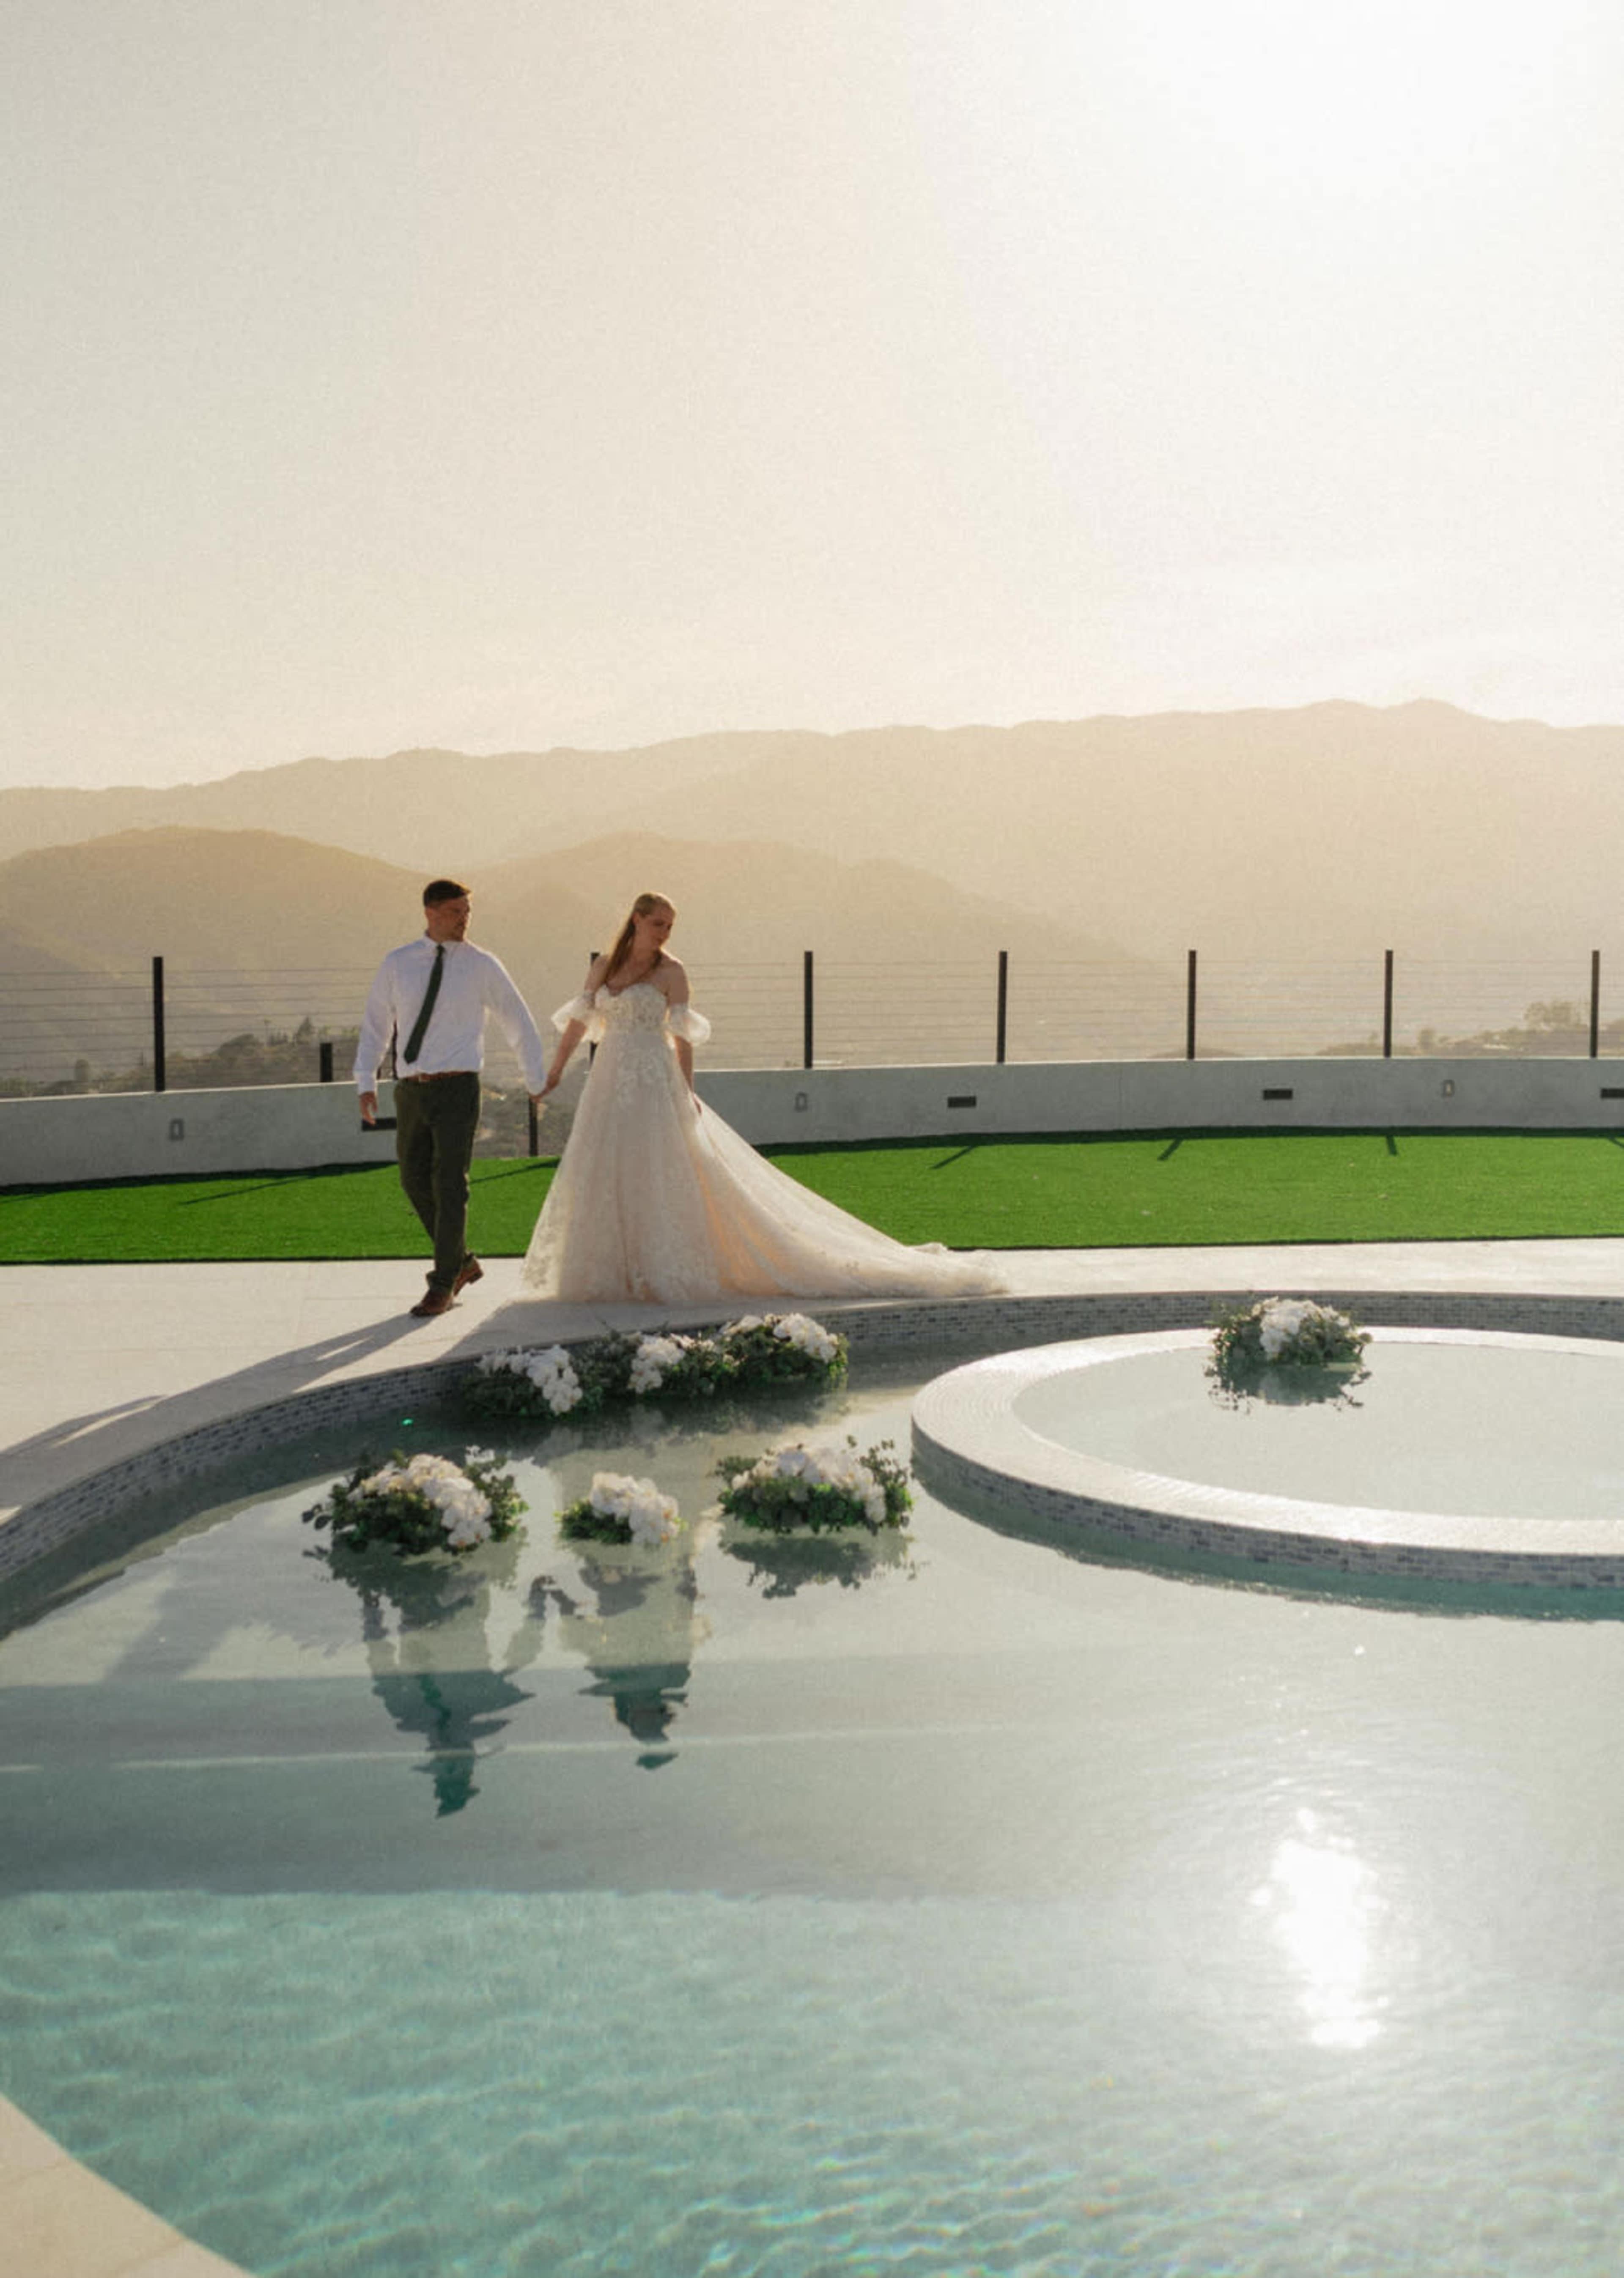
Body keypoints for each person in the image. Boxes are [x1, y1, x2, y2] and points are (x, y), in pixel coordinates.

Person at [521, 891, 1004, 1302]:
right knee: (607, 1167)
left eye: (670, 925)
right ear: (636, 919)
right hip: (607, 1079)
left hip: (654, 1082)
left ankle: (665, 1266)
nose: (665, 932)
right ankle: (616, 1270)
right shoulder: (605, 966)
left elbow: (683, 1040)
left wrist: (687, 1094)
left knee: (662, 1170)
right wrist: (557, 1070)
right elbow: (582, 1022)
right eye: (657, 923)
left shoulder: (673, 972)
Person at [357, 878, 548, 1317]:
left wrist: (534, 1077)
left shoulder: (481, 964)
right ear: (430, 912)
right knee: (412, 1179)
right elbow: (376, 1024)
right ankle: (461, 1262)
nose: (464, 921)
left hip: (459, 1088)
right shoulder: (398, 963)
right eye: (455, 912)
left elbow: (517, 1018)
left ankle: (442, 1283)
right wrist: (364, 1079)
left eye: (467, 913)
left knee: (450, 1184)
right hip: (410, 1089)